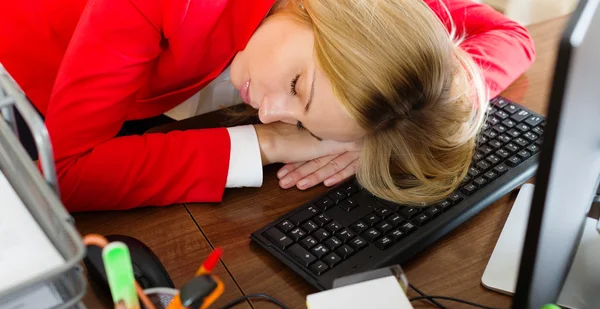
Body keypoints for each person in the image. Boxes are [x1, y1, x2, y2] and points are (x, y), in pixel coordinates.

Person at [0, 0, 535, 212]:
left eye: (297, 116)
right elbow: (63, 173)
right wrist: (275, 142)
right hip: (28, 80)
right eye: (299, 89)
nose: (270, 110)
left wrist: (387, 115)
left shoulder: (371, 18)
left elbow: (506, 34)